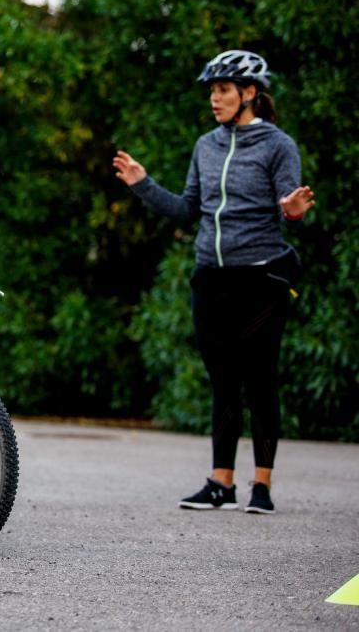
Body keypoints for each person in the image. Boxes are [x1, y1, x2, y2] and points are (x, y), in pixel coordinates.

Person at [113, 50, 315, 514]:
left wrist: (295, 211)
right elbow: (188, 209)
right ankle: (220, 481)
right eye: (212, 91)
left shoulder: (278, 145)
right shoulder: (207, 145)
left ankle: (261, 485)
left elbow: (290, 207)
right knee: (223, 381)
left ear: (250, 94)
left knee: (260, 379)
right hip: (211, 277)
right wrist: (143, 184)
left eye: (222, 90)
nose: (214, 99)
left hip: (262, 275)